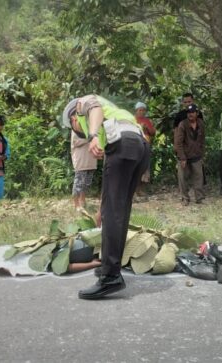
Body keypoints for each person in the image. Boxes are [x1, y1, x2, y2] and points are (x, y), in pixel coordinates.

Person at [62, 94, 150, 300]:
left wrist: (92, 135)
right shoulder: (113, 111)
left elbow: (93, 108)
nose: (79, 131)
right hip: (140, 146)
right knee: (119, 211)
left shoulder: (83, 105)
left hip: (123, 144)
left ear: (73, 119)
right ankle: (110, 268)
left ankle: (110, 277)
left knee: (112, 213)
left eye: (75, 129)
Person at [174, 104, 206, 206]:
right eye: (189, 113)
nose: (190, 114)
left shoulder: (201, 123)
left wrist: (202, 153)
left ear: (197, 113)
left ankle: (199, 198)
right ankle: (185, 198)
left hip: (196, 155)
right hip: (185, 155)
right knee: (183, 178)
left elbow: (202, 139)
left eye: (192, 112)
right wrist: (182, 157)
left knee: (199, 177)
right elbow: (179, 143)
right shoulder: (182, 124)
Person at [70, 131, 98, 212]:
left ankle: (82, 201)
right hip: (81, 160)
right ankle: (76, 204)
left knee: (87, 183)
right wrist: (89, 139)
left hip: (91, 160)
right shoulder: (76, 127)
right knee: (79, 183)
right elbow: (75, 142)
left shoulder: (92, 128)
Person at [134, 101, 156, 198]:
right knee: (135, 168)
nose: (142, 112)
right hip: (135, 146)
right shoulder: (133, 120)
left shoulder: (147, 120)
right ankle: (133, 190)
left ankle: (140, 190)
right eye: (140, 110)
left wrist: (147, 127)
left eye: (143, 110)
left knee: (144, 168)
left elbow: (153, 132)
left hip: (146, 146)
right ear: (136, 110)